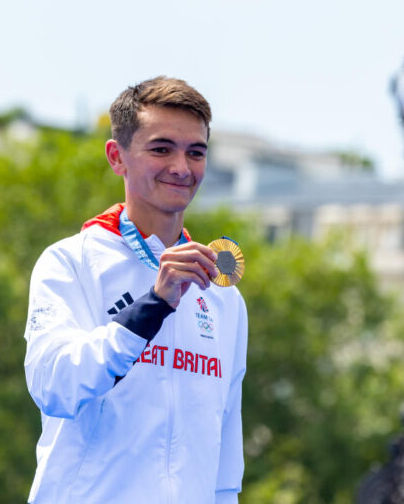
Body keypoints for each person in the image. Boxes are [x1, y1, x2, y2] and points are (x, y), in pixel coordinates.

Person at [24, 76, 248, 503]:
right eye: (161, 149)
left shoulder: (222, 295)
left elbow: (225, 461)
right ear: (117, 156)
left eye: (195, 152)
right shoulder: (70, 262)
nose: (181, 167)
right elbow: (55, 387)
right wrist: (151, 307)